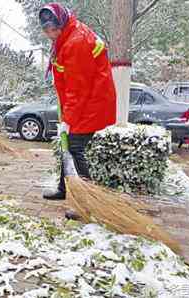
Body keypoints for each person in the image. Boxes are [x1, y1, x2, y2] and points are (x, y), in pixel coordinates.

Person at [39, 3, 117, 201]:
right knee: (69, 147)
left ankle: (87, 199)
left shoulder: (76, 42)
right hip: (85, 101)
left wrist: (68, 119)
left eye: (53, 29)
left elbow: (78, 88)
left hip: (91, 102)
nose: (51, 34)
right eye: (47, 30)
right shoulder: (67, 35)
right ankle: (65, 189)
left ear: (62, 22)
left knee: (74, 147)